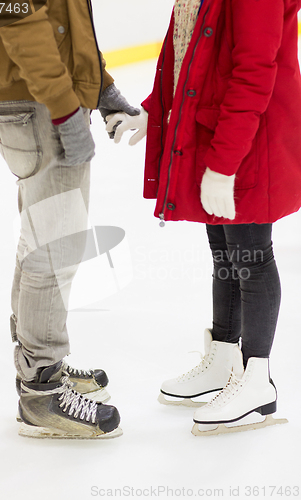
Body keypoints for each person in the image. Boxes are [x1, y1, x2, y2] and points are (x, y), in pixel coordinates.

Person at [106, 0, 301, 435]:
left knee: (251, 254)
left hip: (249, 139)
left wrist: (225, 164)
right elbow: (190, 54)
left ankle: (257, 382)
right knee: (225, 250)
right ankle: (225, 357)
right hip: (215, 132)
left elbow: (254, 71)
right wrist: (154, 109)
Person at [0, 0, 140, 439]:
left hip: (36, 105)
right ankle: (42, 392)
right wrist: (65, 109)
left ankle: (40, 363)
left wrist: (101, 88)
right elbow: (20, 22)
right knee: (54, 250)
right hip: (42, 108)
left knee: (38, 243)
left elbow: (67, 22)